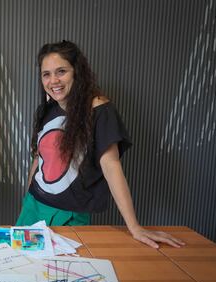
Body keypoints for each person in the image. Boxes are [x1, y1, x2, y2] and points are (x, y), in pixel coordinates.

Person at [16, 40, 184, 248]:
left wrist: (134, 226)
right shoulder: (47, 110)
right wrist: (27, 197)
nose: (53, 80)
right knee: (24, 272)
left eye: (61, 71)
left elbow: (111, 167)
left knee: (60, 275)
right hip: (33, 206)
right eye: (46, 74)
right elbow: (39, 158)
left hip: (69, 215)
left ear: (76, 72)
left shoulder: (99, 110)